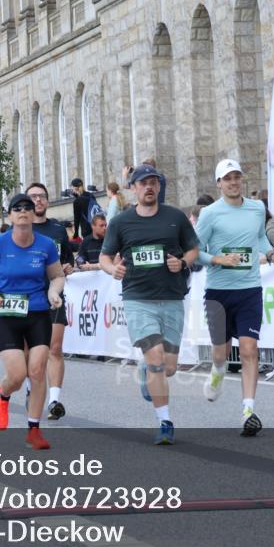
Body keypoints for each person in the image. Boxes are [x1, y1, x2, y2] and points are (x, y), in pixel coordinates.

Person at [100, 164, 199, 445]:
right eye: (143, 183)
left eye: (153, 182)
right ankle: (165, 421)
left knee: (168, 367)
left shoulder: (175, 217)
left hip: (171, 297)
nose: (149, 187)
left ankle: (147, 370)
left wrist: (182, 262)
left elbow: (193, 249)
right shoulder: (121, 222)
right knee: (155, 357)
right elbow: (107, 256)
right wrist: (112, 270)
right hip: (138, 299)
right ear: (133, 188)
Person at [194, 159, 274, 436]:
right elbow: (195, 250)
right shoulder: (210, 213)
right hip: (219, 292)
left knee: (249, 350)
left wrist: (270, 254)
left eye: (237, 177)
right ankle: (218, 372)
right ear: (219, 183)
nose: (233, 182)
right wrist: (217, 259)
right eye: (227, 178)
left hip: (249, 290)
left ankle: (248, 410)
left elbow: (259, 239)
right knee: (221, 352)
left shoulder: (257, 208)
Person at [0, 193, 65, 450]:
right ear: (10, 216)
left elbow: (58, 275)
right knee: (17, 375)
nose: (24, 211)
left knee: (37, 371)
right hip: (8, 315)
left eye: (28, 207)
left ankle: (34, 430)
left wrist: (53, 291)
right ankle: (3, 394)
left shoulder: (46, 244)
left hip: (38, 313)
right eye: (18, 208)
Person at [26, 182, 76, 421]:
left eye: (42, 196)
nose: (38, 200)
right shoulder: (21, 231)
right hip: (27, 297)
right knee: (30, 352)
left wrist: (68, 267)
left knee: (54, 349)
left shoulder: (57, 230)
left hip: (54, 296)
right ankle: (30, 387)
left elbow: (68, 262)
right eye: (33, 197)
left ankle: (54, 400)